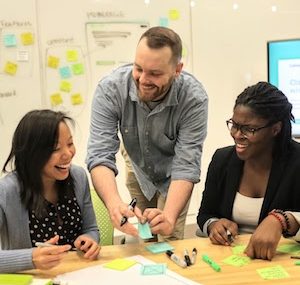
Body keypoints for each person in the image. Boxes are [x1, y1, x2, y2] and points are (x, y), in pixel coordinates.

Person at [86, 26, 208, 241]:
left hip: (174, 174)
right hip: (137, 165)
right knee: (146, 239)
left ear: (177, 70)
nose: (143, 79)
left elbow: (186, 165)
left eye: (155, 73)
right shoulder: (111, 89)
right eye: (138, 68)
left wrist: (169, 217)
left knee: (168, 238)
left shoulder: (194, 99)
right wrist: (114, 204)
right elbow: (100, 154)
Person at [197, 81, 300, 260]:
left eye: (248, 129)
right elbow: (205, 214)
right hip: (233, 261)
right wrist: (214, 225)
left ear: (275, 129)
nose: (237, 134)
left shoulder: (296, 162)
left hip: (282, 262)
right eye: (235, 125)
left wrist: (282, 220)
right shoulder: (222, 160)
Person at [0, 110, 100, 273]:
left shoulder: (78, 176)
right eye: (55, 149)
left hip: (78, 274)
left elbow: (91, 229)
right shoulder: (6, 191)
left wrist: (89, 240)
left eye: (70, 144)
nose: (68, 154)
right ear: (32, 153)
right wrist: (31, 258)